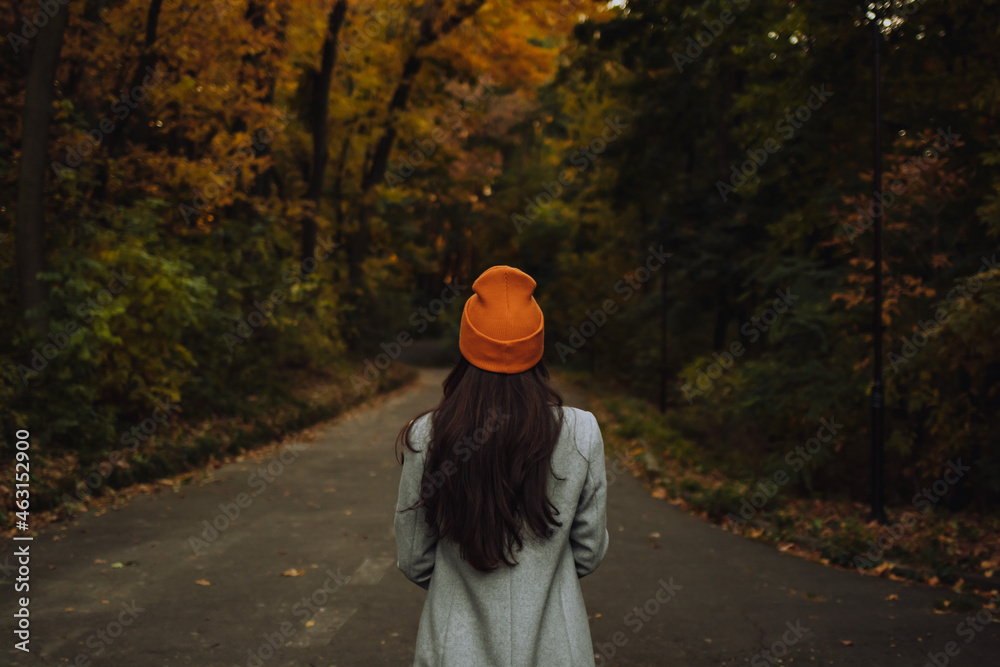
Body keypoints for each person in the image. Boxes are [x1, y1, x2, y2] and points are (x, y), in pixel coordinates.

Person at [394, 264, 610, 667]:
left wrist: (460, 589)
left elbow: (413, 558)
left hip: (454, 649)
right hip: (558, 650)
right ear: (538, 346)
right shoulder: (582, 432)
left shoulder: (426, 435)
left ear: (467, 345)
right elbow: (589, 550)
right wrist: (541, 583)